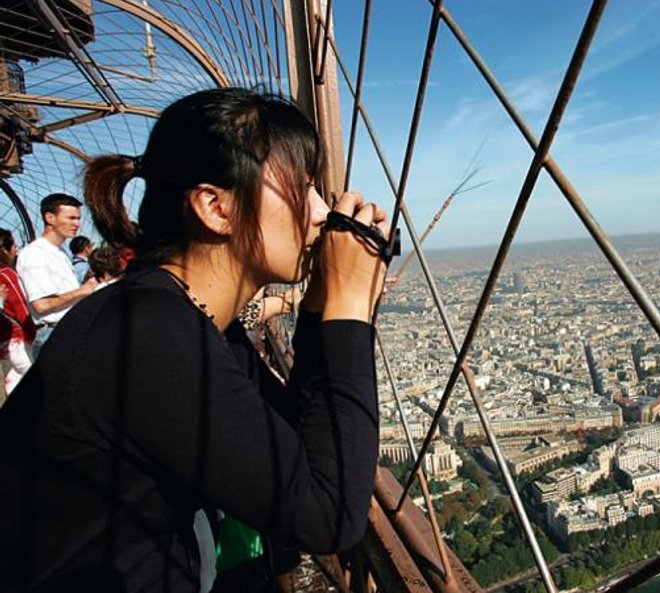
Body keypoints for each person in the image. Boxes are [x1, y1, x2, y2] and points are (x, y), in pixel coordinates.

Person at [0, 88, 389, 593]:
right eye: (303, 187)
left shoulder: (171, 317)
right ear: (215, 207)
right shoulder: (149, 335)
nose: (320, 211)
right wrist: (350, 306)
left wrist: (318, 305)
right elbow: (327, 515)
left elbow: (288, 439)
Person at [16, 193, 98, 354]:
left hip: (67, 330)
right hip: (53, 334)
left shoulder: (60, 253)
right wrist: (82, 291)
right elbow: (41, 305)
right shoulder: (35, 254)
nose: (77, 224)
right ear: (50, 218)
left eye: (78, 218)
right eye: (71, 218)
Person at [0, 229, 37, 401]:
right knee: (33, 386)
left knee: (13, 384)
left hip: (4, 342)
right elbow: (19, 305)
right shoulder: (7, 274)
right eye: (14, 245)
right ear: (5, 250)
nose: (16, 249)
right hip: (18, 338)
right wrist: (31, 331)